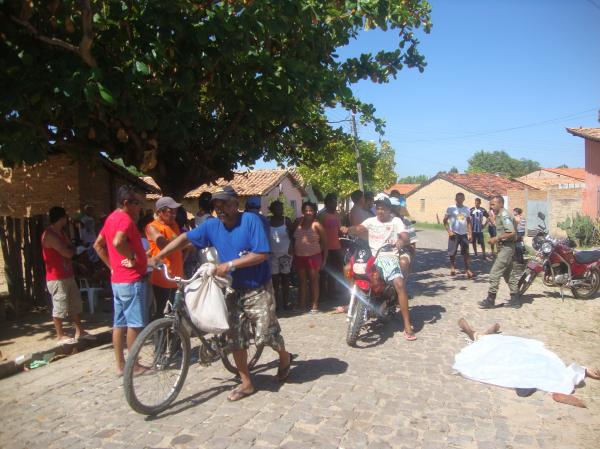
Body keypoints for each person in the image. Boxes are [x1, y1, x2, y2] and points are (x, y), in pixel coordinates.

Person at [148, 185, 292, 401]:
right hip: (233, 288)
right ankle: (246, 383)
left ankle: (285, 357)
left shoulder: (250, 221)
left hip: (258, 286)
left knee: (266, 335)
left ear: (236, 204)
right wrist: (161, 255)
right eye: (217, 205)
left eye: (225, 204)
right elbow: (185, 239)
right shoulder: (212, 226)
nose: (221, 209)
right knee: (235, 336)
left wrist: (230, 265)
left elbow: (261, 254)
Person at [341, 197, 416, 341]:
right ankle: (358, 303)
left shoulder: (396, 221)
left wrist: (401, 240)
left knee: (399, 284)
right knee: (350, 269)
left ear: (389, 210)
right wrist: (347, 229)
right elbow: (359, 229)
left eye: (383, 208)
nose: (380, 211)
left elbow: (405, 235)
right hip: (372, 256)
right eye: (378, 208)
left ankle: (407, 325)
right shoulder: (370, 221)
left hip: (388, 257)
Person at [94, 185, 148, 376]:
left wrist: (112, 267)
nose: (139, 207)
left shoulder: (111, 219)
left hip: (118, 280)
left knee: (119, 324)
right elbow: (117, 242)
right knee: (134, 324)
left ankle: (120, 365)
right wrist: (132, 258)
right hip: (131, 280)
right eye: (137, 203)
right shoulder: (125, 219)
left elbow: (98, 245)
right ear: (127, 203)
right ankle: (134, 365)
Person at [42, 206, 92, 343]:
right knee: (60, 305)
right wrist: (72, 250)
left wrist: (72, 250)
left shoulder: (62, 233)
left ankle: (80, 331)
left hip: (68, 273)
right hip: (57, 277)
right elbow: (68, 252)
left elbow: (70, 247)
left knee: (75, 304)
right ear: (61, 218)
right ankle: (60, 334)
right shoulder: (49, 235)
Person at [478, 195, 521, 309]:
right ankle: (515, 299)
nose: (491, 206)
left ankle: (490, 300)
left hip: (507, 248)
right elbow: (504, 228)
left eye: (493, 204)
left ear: (501, 204)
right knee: (508, 274)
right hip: (504, 247)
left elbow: (511, 232)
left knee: (494, 272)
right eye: (490, 204)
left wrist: (496, 238)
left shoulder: (504, 214)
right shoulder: (500, 215)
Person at [145, 196, 184, 321]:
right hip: (162, 278)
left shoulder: (174, 225)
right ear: (159, 212)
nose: (173, 214)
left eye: (175, 211)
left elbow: (178, 247)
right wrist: (184, 243)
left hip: (177, 278)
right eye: (170, 211)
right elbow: (162, 243)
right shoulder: (152, 227)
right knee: (161, 315)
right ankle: (160, 340)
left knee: (176, 314)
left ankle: (175, 340)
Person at [294, 202, 328, 312]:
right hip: (299, 256)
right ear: (302, 211)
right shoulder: (298, 222)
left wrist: (324, 260)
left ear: (314, 212)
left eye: (311, 210)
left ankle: (314, 305)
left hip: (314, 257)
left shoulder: (317, 225)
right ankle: (301, 304)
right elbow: (293, 238)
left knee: (314, 281)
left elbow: (325, 243)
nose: (308, 212)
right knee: (302, 281)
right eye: (306, 210)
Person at [268, 200, 293, 311]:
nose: (280, 211)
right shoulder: (267, 221)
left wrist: (292, 248)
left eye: (281, 209)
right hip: (272, 254)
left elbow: (293, 236)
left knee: (286, 279)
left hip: (285, 254)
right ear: (272, 210)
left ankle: (286, 302)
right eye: (277, 208)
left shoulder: (286, 220)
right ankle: (275, 303)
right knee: (275, 281)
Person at [318, 193, 343, 300]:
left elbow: (339, 230)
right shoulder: (321, 215)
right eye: (333, 202)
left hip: (336, 247)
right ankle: (322, 293)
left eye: (336, 201)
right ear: (327, 203)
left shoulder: (337, 215)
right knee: (324, 272)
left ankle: (331, 292)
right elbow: (317, 231)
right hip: (325, 248)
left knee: (335, 271)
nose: (335, 204)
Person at [443, 192, 473, 278]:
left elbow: (469, 222)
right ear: (455, 199)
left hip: (464, 234)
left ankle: (467, 269)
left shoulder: (467, 209)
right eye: (458, 198)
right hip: (454, 233)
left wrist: (470, 234)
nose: (460, 200)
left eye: (461, 198)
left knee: (466, 253)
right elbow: (444, 221)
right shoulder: (451, 208)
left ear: (464, 199)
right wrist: (449, 231)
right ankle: (452, 267)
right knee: (452, 252)